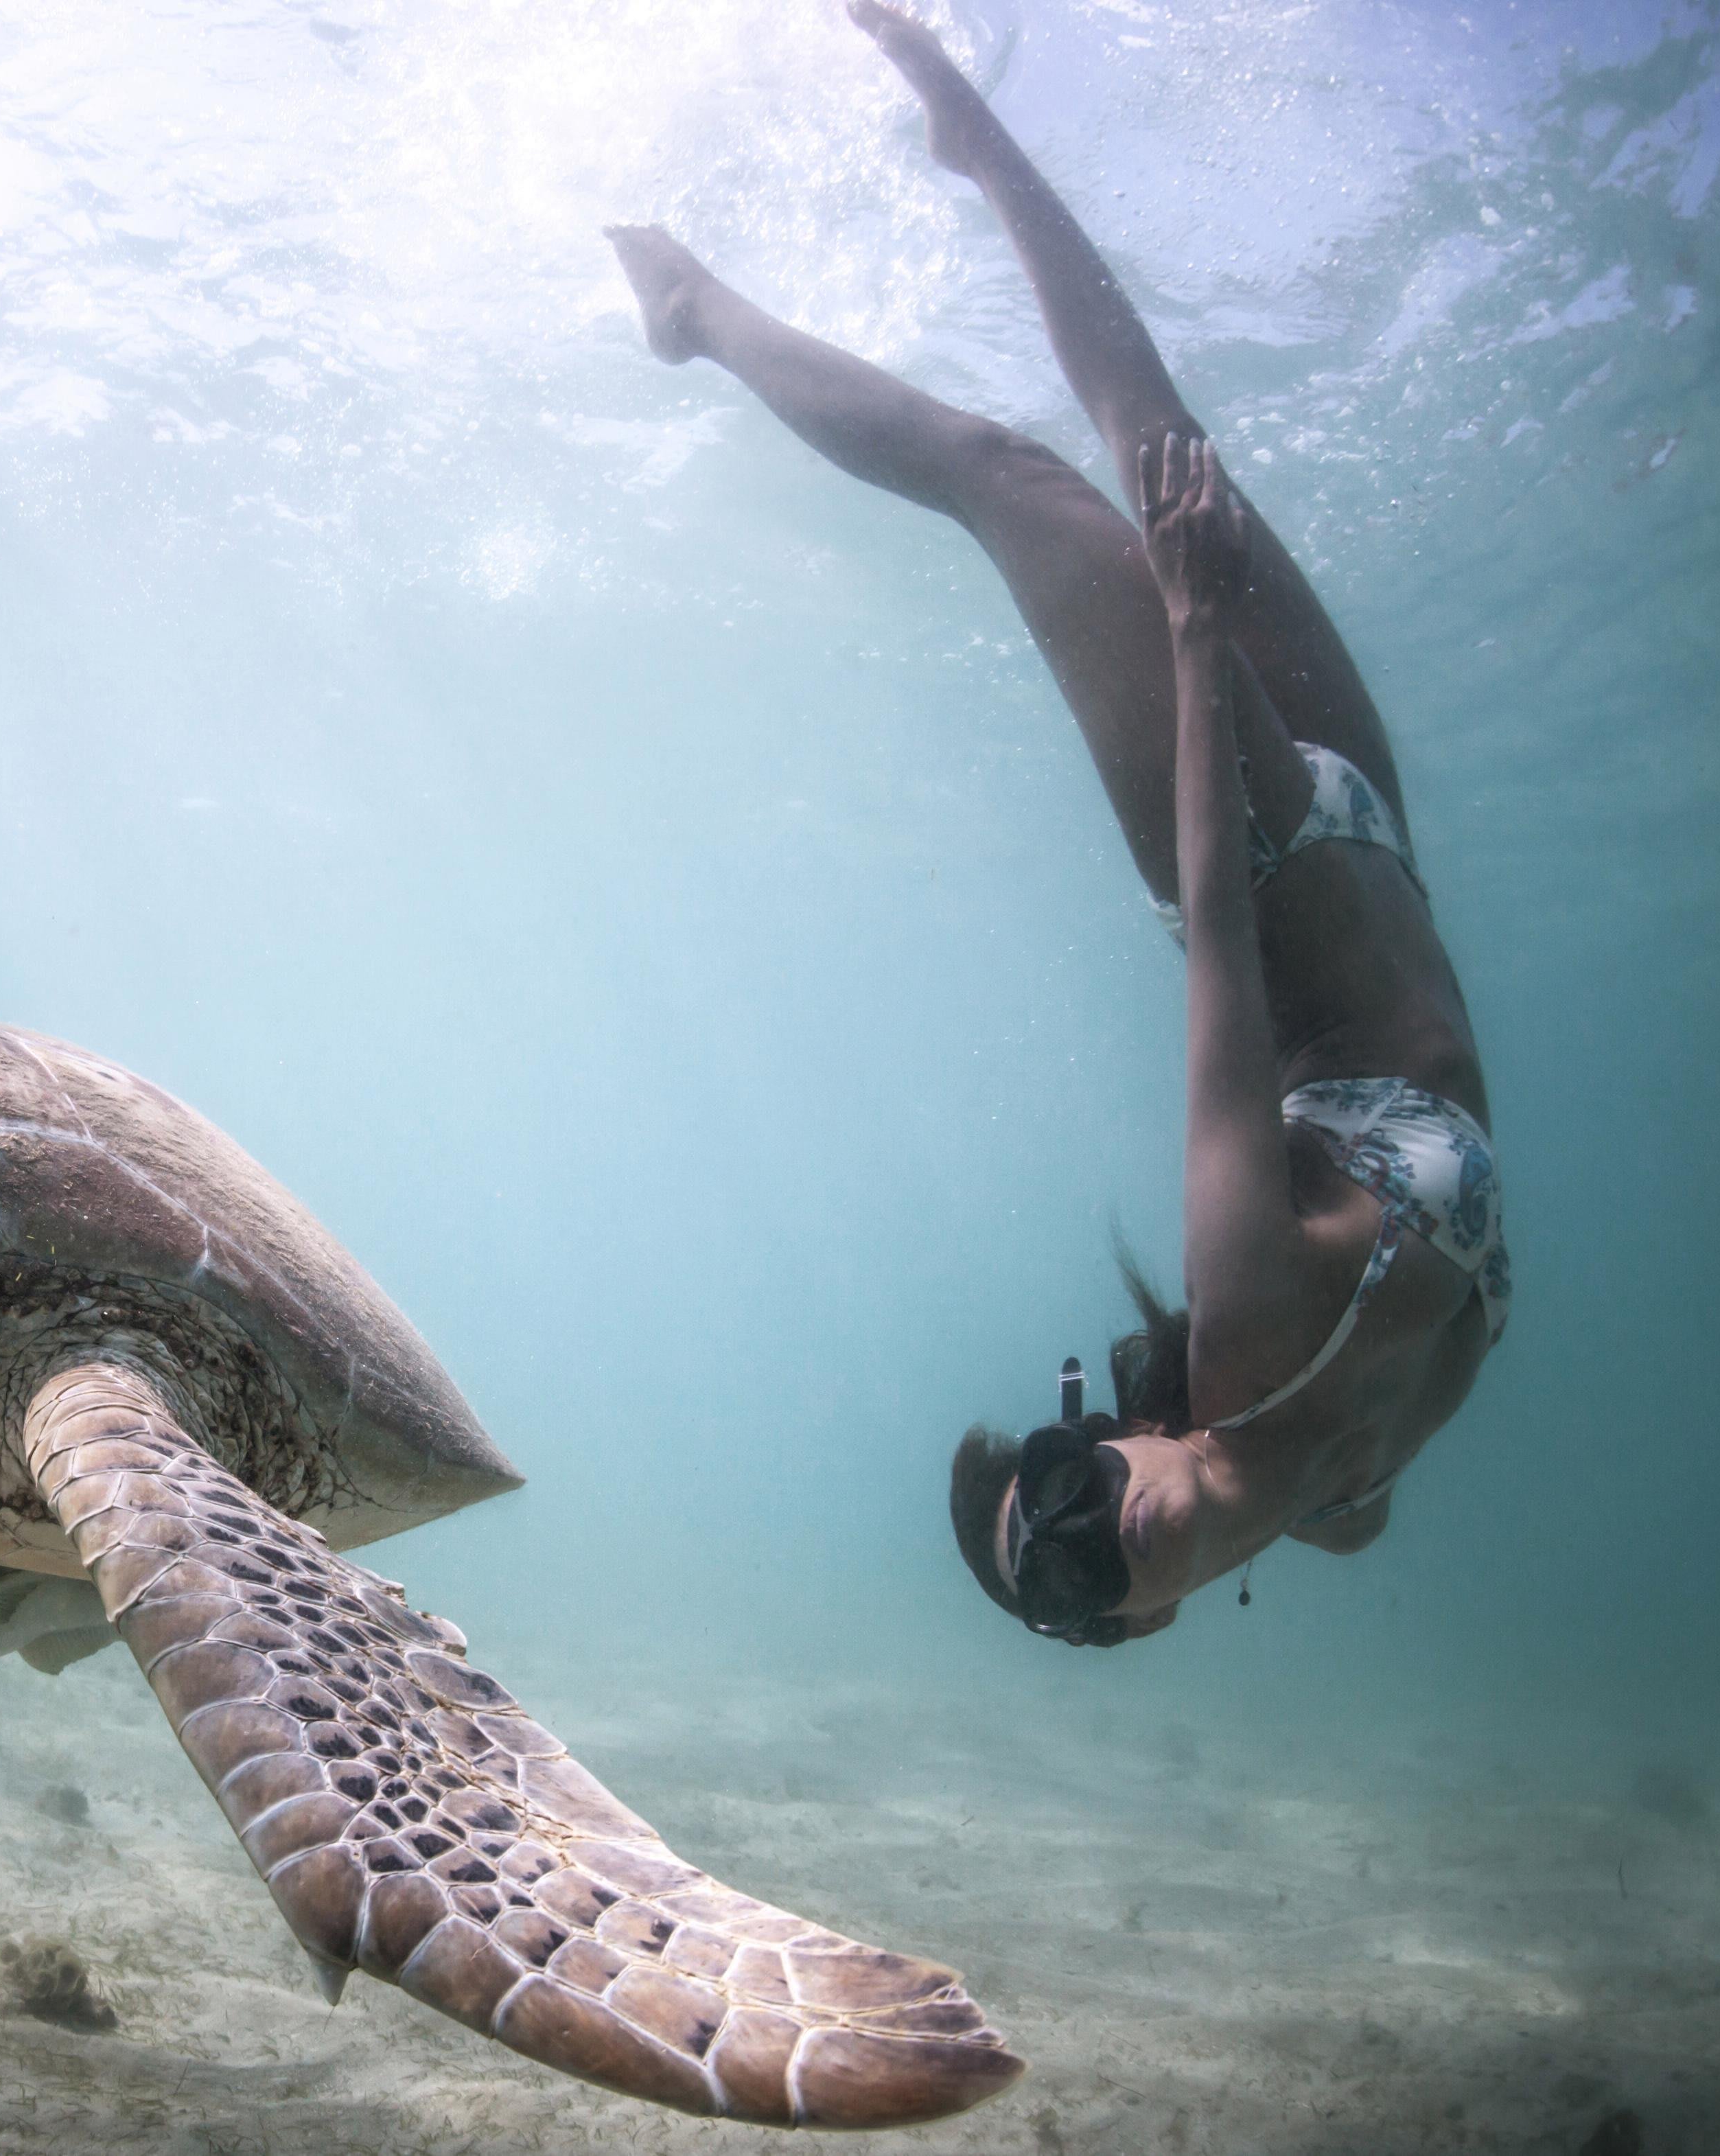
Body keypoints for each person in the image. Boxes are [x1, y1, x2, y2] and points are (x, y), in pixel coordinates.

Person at [607, 3, 1506, 1647]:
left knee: (1014, 474)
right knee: (1145, 443)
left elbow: (1220, 961)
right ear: (1139, 1624)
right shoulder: (1345, 1508)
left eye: (1064, 1490)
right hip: (1374, 844)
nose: (1109, 1528)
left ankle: (715, 299)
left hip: (1256, 862)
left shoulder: (1248, 1323)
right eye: (1084, 1575)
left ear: (1097, 1433)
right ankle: (935, 159)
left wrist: (1186, 628)